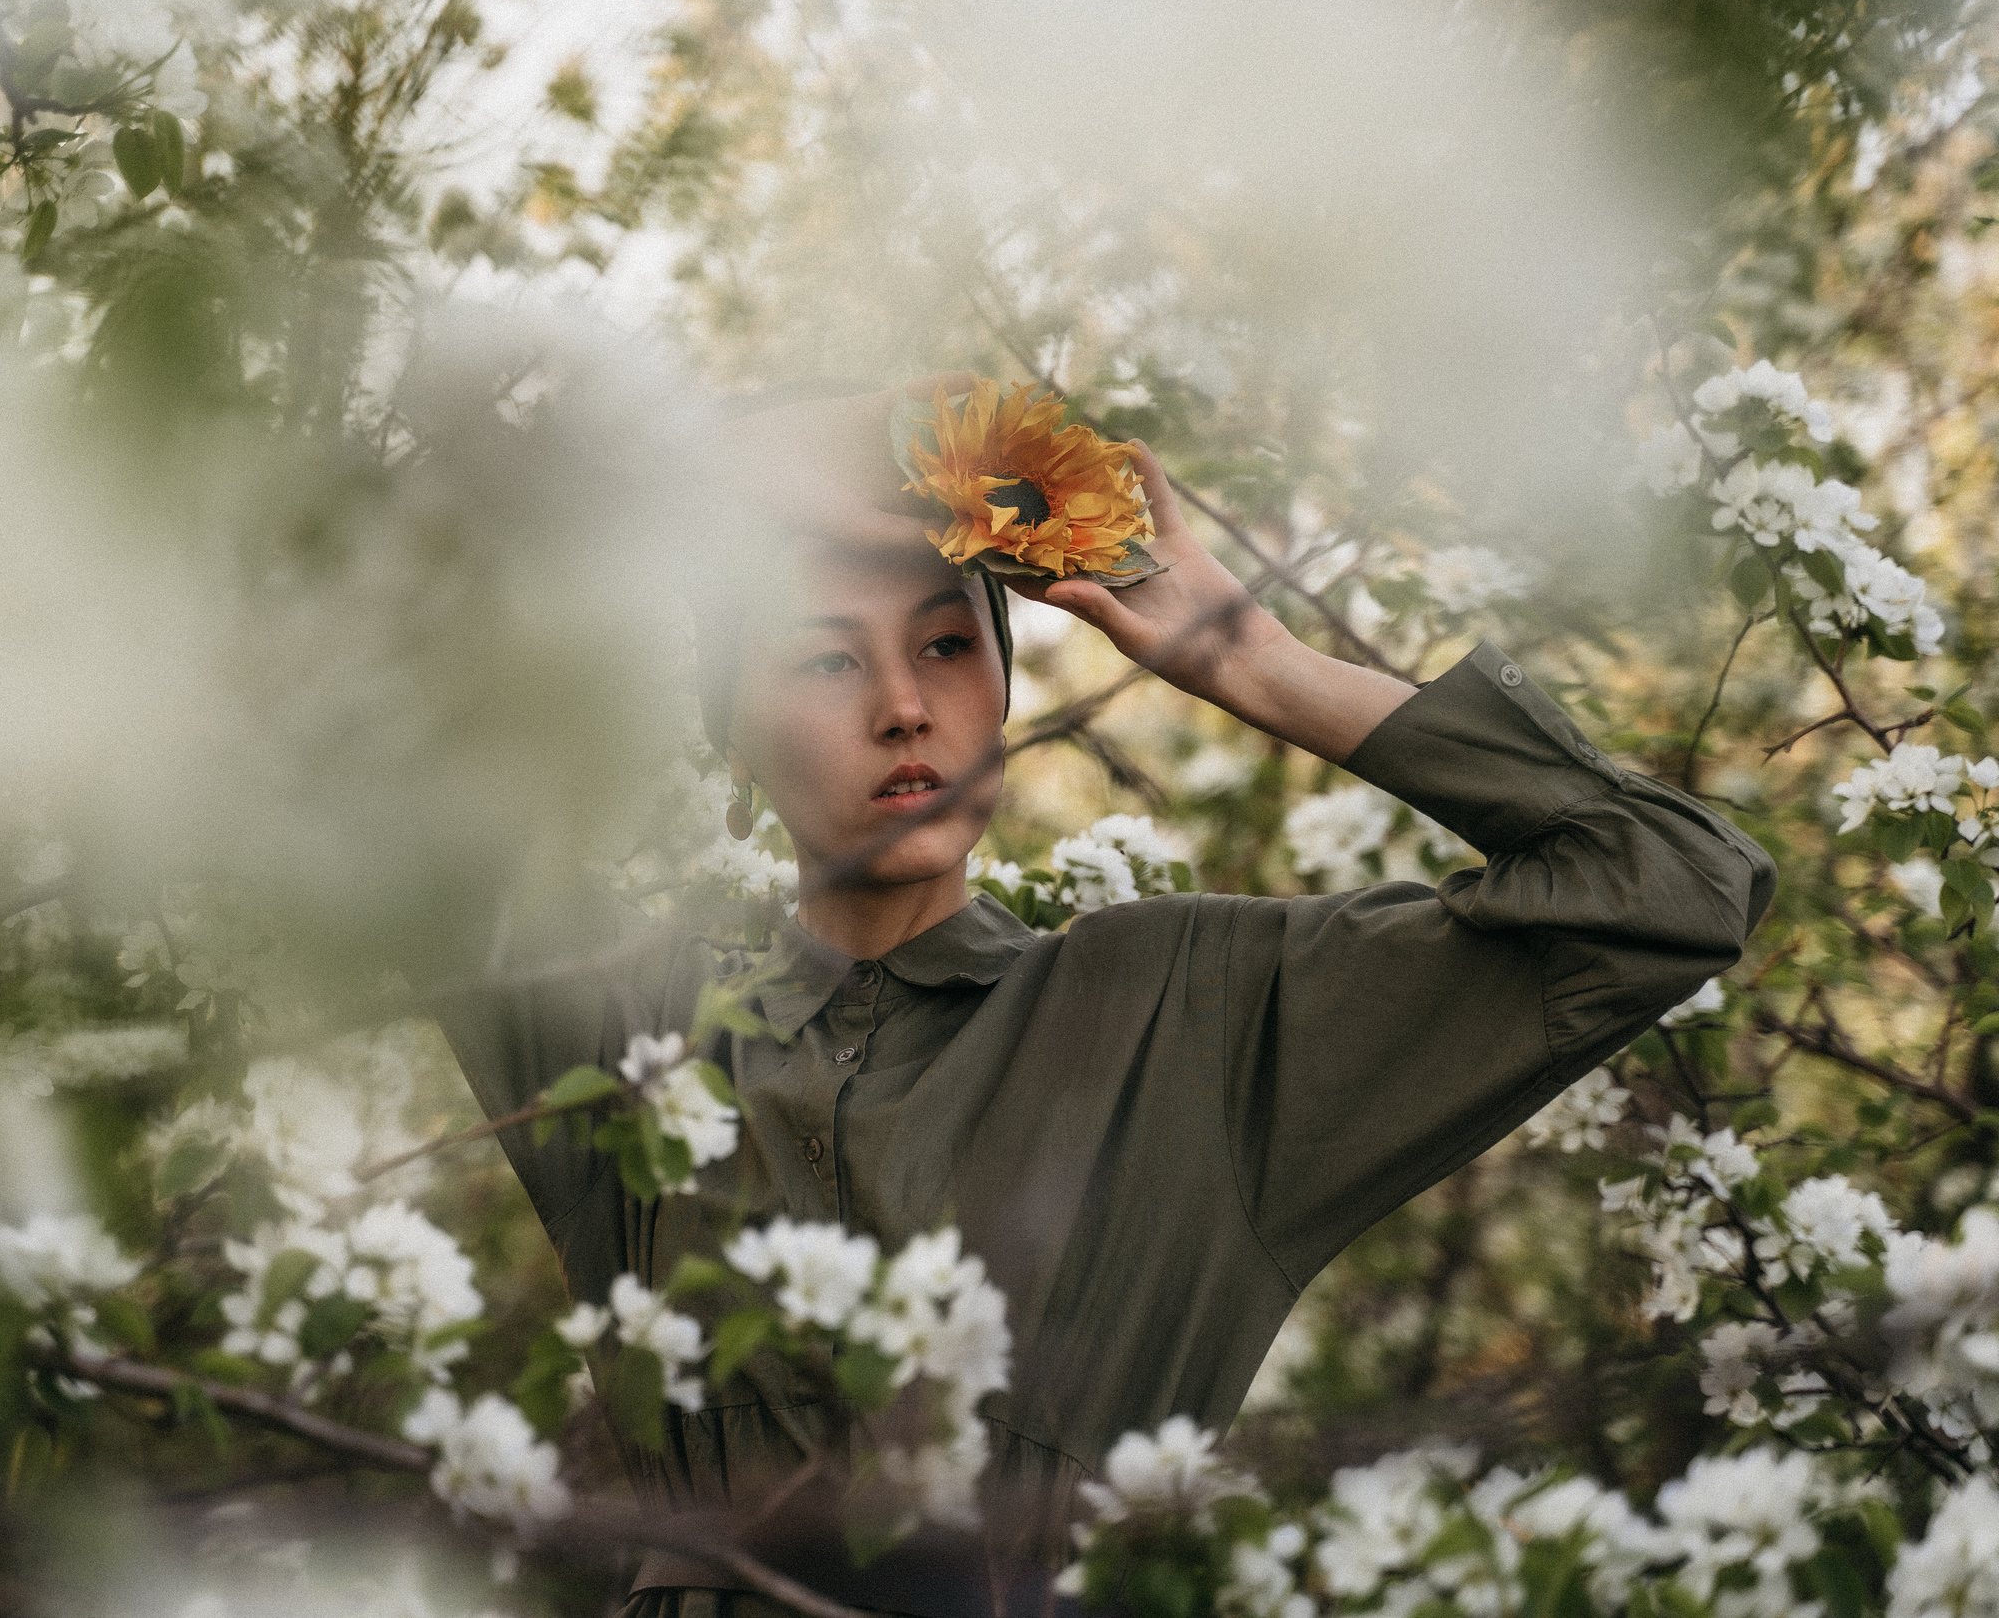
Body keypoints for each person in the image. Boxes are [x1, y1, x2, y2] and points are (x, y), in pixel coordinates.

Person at [432, 376, 1777, 1618]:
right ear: (726, 730)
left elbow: (1672, 888)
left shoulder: (1180, 1013)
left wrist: (1242, 655)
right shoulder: (631, 1024)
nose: (904, 707)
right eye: (827, 660)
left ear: (1008, 690)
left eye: (949, 647)